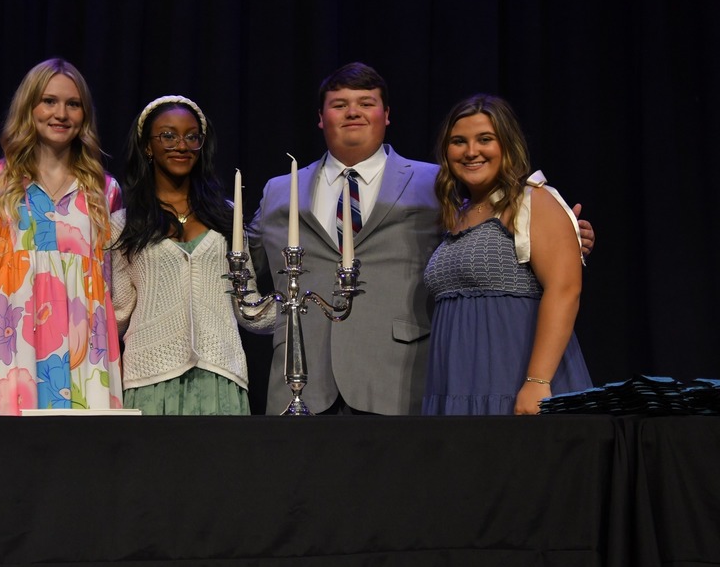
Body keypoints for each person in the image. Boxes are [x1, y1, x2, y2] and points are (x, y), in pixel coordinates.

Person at [246, 62, 596, 415]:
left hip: (400, 380)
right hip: (304, 381)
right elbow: (241, 256)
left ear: (387, 114)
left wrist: (565, 234)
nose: (353, 112)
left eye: (366, 103)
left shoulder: (435, 184)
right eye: (339, 104)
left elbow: (509, 230)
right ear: (320, 117)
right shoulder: (279, 192)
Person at [0, 58, 123, 414]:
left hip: (85, 348)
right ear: (29, 107)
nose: (61, 114)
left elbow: (109, 277)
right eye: (49, 101)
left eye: (73, 104)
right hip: (9, 344)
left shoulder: (104, 190)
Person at [422, 94, 592, 415]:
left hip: (514, 377)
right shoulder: (456, 215)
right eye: (459, 142)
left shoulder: (532, 200)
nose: (471, 151)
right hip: (458, 383)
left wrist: (537, 381)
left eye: (485, 139)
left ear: (507, 145)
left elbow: (565, 289)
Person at [110, 95, 275, 415]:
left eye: (191, 136)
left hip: (220, 376)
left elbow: (248, 307)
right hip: (150, 380)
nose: (181, 145)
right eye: (168, 135)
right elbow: (118, 314)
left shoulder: (228, 217)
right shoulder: (123, 224)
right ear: (147, 146)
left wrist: (295, 308)